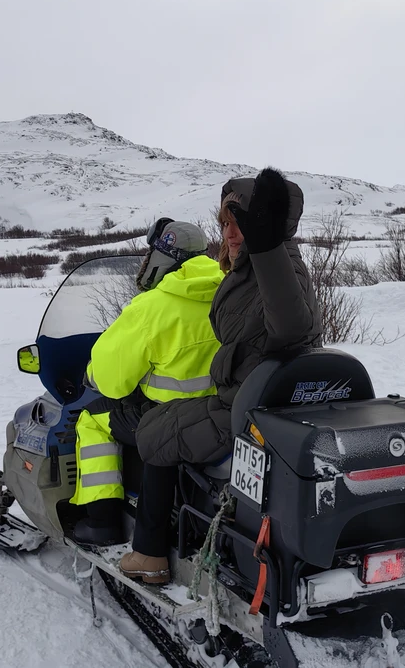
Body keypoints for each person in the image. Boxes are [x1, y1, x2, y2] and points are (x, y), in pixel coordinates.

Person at [121, 168, 321, 584]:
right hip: (249, 399)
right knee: (167, 418)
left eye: (240, 224)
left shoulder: (277, 268)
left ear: (268, 225)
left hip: (250, 411)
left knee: (155, 433)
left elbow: (292, 327)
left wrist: (265, 247)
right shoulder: (245, 272)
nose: (231, 234)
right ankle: (186, 525)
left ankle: (150, 554)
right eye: (226, 224)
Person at [70, 219, 224, 546]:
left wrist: (92, 373)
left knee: (91, 420)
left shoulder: (151, 307)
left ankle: (102, 521)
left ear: (163, 256)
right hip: (217, 415)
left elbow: (112, 383)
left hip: (165, 419)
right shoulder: (227, 293)